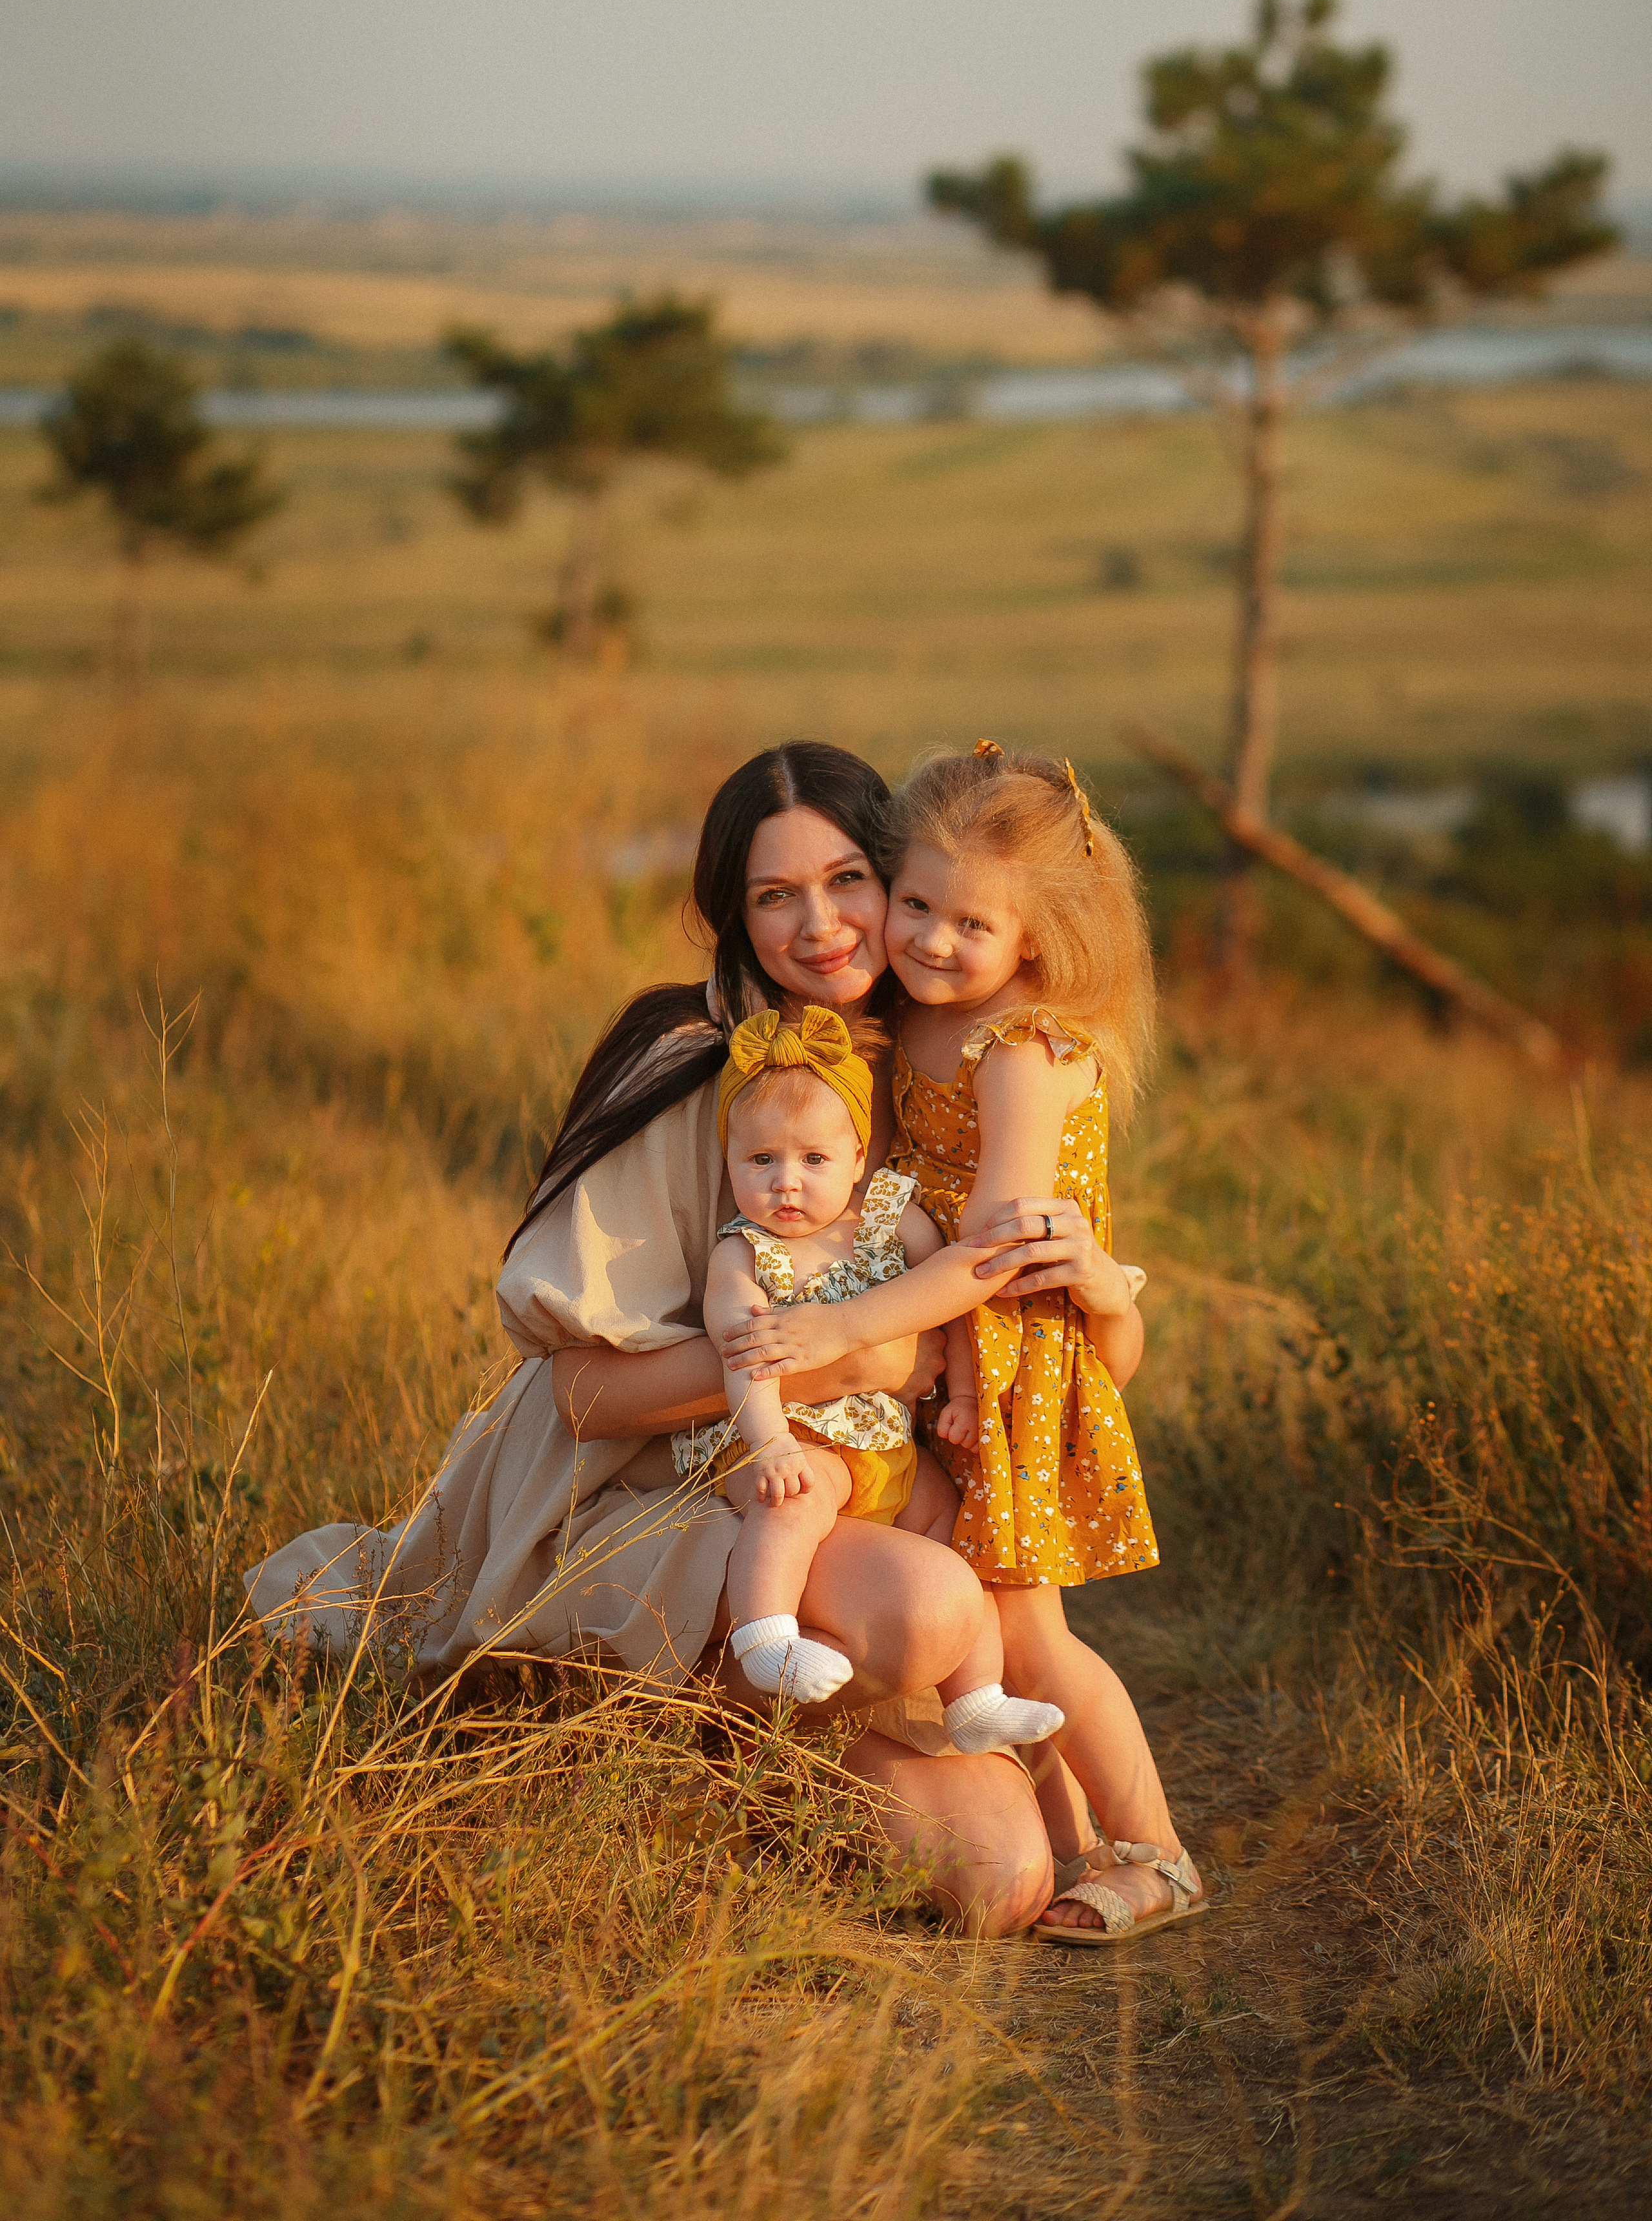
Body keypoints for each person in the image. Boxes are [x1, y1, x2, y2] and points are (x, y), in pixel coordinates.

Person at [245, 739, 1186, 1936]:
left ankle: (732, 1765)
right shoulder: (691, 1064)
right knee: (937, 1615)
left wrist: (1106, 1293)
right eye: (773, 896)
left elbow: (1058, 1364)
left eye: (850, 882)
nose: (824, 926)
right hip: (660, 1491)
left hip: (853, 1498)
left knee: (1000, 1878)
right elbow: (583, 1396)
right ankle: (625, 1732)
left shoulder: (951, 1057)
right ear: (727, 916)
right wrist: (840, 1353)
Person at [720, 740, 1205, 1942]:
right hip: (953, 1367)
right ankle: (1071, 1845)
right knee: (988, 1623)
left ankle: (1160, 1853)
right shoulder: (913, 1023)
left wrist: (844, 1322)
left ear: (1038, 939)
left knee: (1034, 1636)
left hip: (1014, 1364)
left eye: (969, 924)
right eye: (917, 904)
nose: (930, 940)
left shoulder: (1021, 1054)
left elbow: (992, 1252)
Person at [696, 1002, 1066, 1754]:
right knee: (795, 1508)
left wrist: (961, 1394)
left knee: (950, 1525)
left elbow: (953, 1303)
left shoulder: (891, 1219)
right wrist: (770, 1446)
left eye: (813, 1160)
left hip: (886, 1446)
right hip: (797, 1441)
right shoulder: (744, 1254)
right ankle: (766, 1639)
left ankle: (975, 1699)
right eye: (760, 1161)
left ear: (859, 1157)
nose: (786, 1184)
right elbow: (745, 1358)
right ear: (730, 1162)